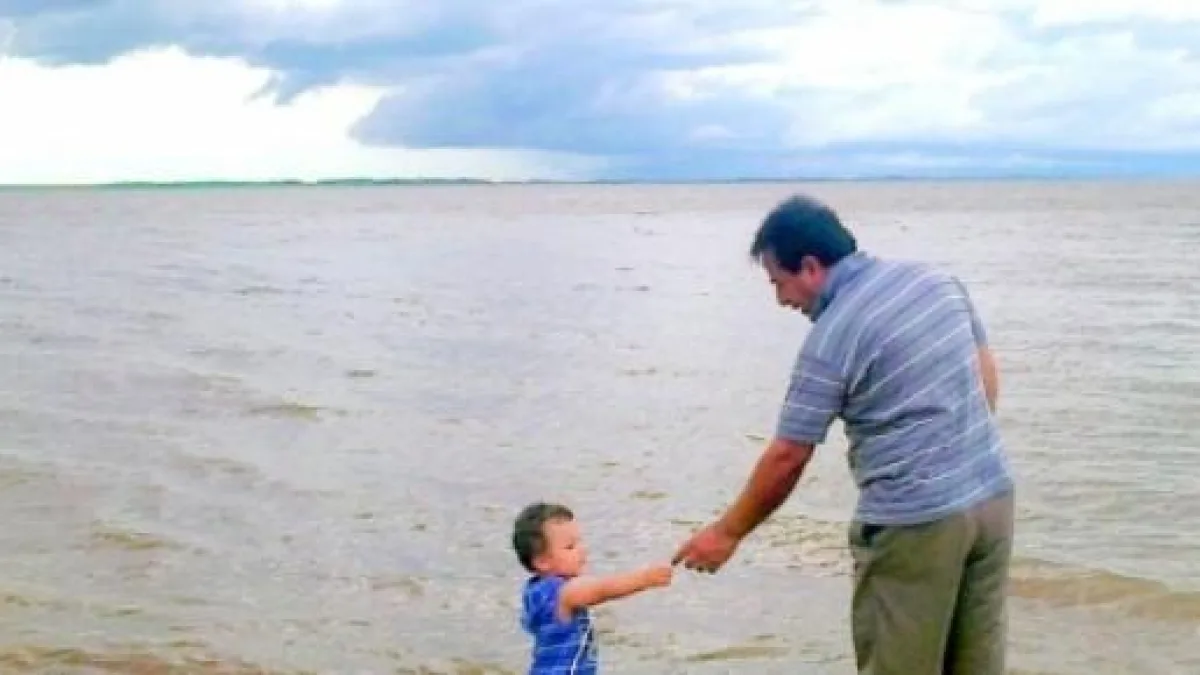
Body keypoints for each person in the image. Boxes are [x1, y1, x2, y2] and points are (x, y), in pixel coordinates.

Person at [672, 194, 1015, 675]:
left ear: (811, 267)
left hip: (914, 522)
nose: (782, 300)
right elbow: (984, 373)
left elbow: (788, 455)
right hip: (993, 497)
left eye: (779, 282)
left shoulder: (832, 339)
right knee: (977, 664)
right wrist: (956, 454)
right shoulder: (936, 282)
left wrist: (727, 533)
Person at [512, 502, 673, 674]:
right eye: (570, 547)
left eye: (579, 542)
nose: (582, 550)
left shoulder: (535, 591)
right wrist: (645, 579)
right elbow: (600, 590)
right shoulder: (559, 592)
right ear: (542, 561)